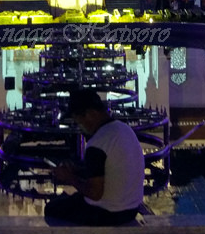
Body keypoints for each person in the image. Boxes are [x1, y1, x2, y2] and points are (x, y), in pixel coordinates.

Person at [45, 89, 145, 226]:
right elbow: (110, 171)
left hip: (107, 214)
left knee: (52, 208)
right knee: (69, 200)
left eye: (80, 122)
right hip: (131, 209)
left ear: (91, 114)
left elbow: (95, 193)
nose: (81, 127)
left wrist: (69, 178)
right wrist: (78, 171)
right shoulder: (124, 130)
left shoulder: (97, 144)